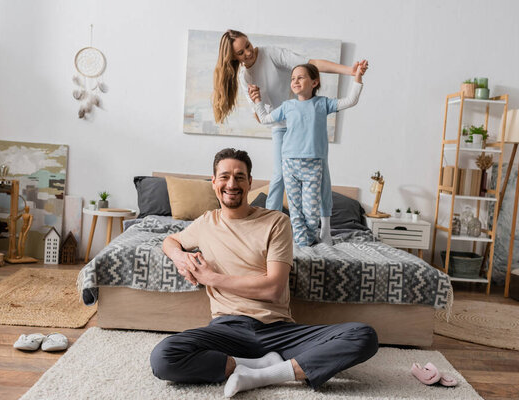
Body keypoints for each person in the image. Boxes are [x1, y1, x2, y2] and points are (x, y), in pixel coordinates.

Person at [151, 148, 378, 397]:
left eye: (239, 177)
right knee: (163, 357)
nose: (231, 184)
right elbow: (170, 240)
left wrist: (211, 278)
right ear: (213, 182)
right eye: (224, 176)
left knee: (363, 335)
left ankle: (261, 376)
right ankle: (259, 366)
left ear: (250, 182)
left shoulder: (277, 222)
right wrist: (179, 256)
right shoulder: (206, 223)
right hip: (226, 329)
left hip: (278, 331)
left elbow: (273, 288)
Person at [212, 29, 368, 245]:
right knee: (279, 177)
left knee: (322, 179)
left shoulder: (272, 54)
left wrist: (350, 72)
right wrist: (257, 100)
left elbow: (312, 64)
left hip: (304, 128)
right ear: (233, 57)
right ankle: (270, 227)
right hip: (280, 125)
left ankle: (325, 230)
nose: (248, 53)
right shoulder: (246, 76)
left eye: (247, 45)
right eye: (241, 52)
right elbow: (262, 118)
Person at [250, 63, 364, 246]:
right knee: (295, 210)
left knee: (311, 211)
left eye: (300, 77)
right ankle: (302, 243)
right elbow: (264, 119)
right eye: (293, 78)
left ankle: (307, 238)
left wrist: (357, 77)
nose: (295, 81)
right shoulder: (288, 106)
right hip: (290, 164)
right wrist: (257, 101)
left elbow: (351, 100)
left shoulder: (323, 104)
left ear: (314, 82)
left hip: (313, 165)